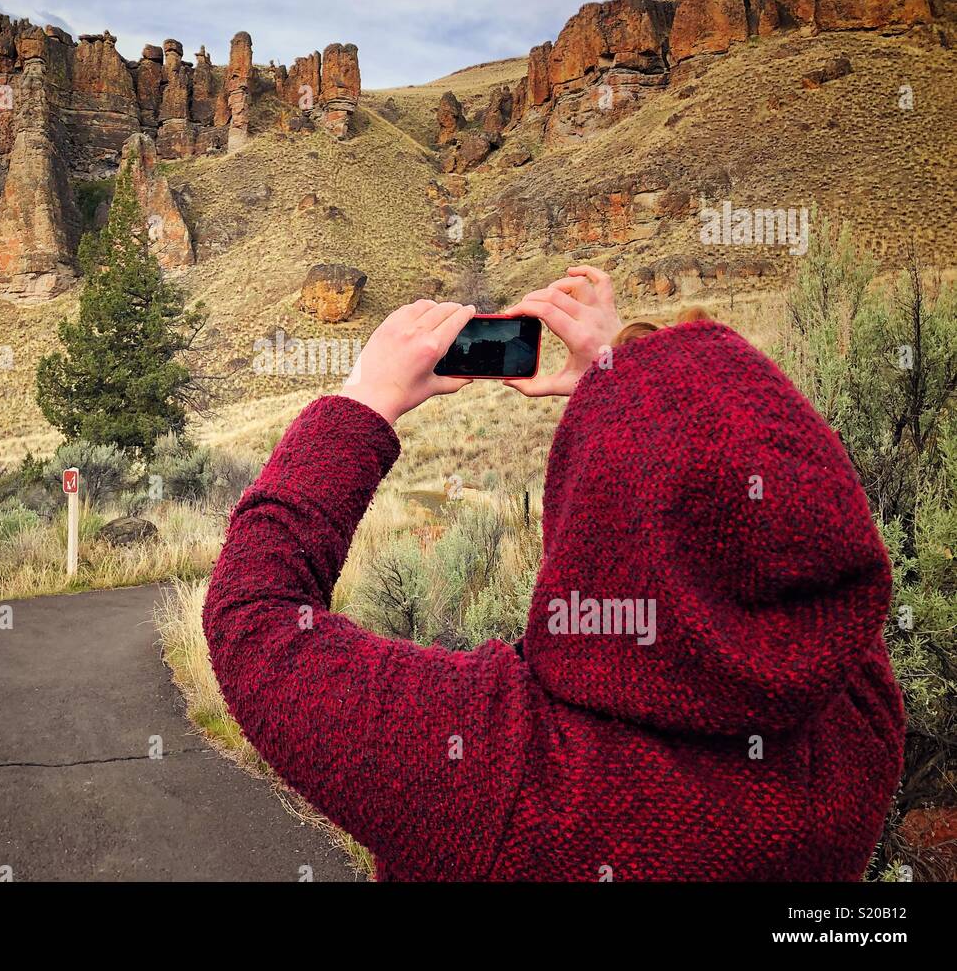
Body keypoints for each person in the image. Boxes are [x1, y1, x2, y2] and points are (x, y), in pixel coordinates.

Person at [203, 265, 904, 881]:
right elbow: (799, 523)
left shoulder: (494, 770)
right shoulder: (854, 731)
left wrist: (363, 401)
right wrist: (618, 374)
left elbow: (254, 614)